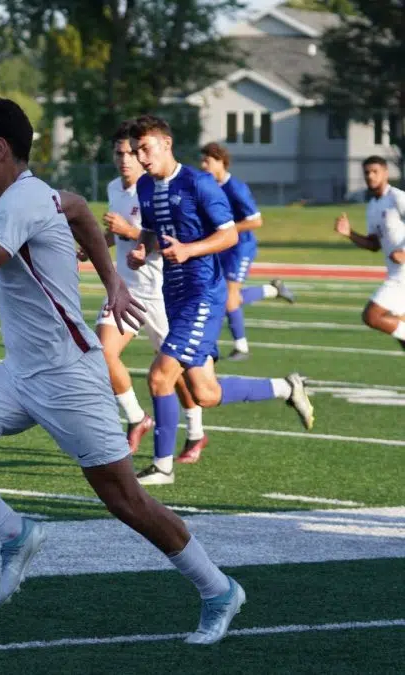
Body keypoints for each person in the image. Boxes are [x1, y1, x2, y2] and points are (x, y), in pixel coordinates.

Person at [0, 97, 245, 645]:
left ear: (0, 149)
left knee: (126, 501)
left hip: (68, 377)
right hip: (21, 374)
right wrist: (112, 280)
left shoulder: (21, 199)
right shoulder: (36, 195)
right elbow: (79, 209)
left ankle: (219, 589)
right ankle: (14, 533)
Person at [127, 115, 313, 486]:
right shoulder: (145, 186)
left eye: (145, 149)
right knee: (205, 393)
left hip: (203, 294)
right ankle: (286, 387)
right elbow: (151, 231)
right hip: (173, 294)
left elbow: (228, 236)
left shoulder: (198, 183)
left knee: (161, 376)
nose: (141, 158)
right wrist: (142, 250)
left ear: (166, 144)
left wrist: (189, 249)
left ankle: (162, 466)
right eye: (136, 151)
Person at [96, 120, 208, 461]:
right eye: (119, 153)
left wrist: (129, 232)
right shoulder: (114, 187)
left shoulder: (154, 188)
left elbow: (165, 238)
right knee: (100, 353)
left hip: (160, 292)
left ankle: (196, 430)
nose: (125, 160)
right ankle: (136, 417)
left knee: (173, 372)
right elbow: (116, 233)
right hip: (125, 290)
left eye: (131, 153)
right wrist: (94, 246)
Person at [198, 142, 295, 360]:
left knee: (230, 298)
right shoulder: (208, 186)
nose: (203, 165)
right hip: (222, 246)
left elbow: (256, 221)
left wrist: (228, 229)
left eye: (207, 161)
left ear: (221, 161)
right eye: (202, 160)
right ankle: (272, 290)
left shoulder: (236, 188)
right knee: (221, 295)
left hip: (240, 248)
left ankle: (241, 347)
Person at [334, 155, 405, 351]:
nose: (370, 176)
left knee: (372, 316)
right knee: (400, 329)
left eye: (375, 172)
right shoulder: (373, 206)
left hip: (402, 274)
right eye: (367, 173)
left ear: (386, 174)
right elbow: (374, 244)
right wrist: (349, 234)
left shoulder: (397, 198)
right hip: (395, 273)